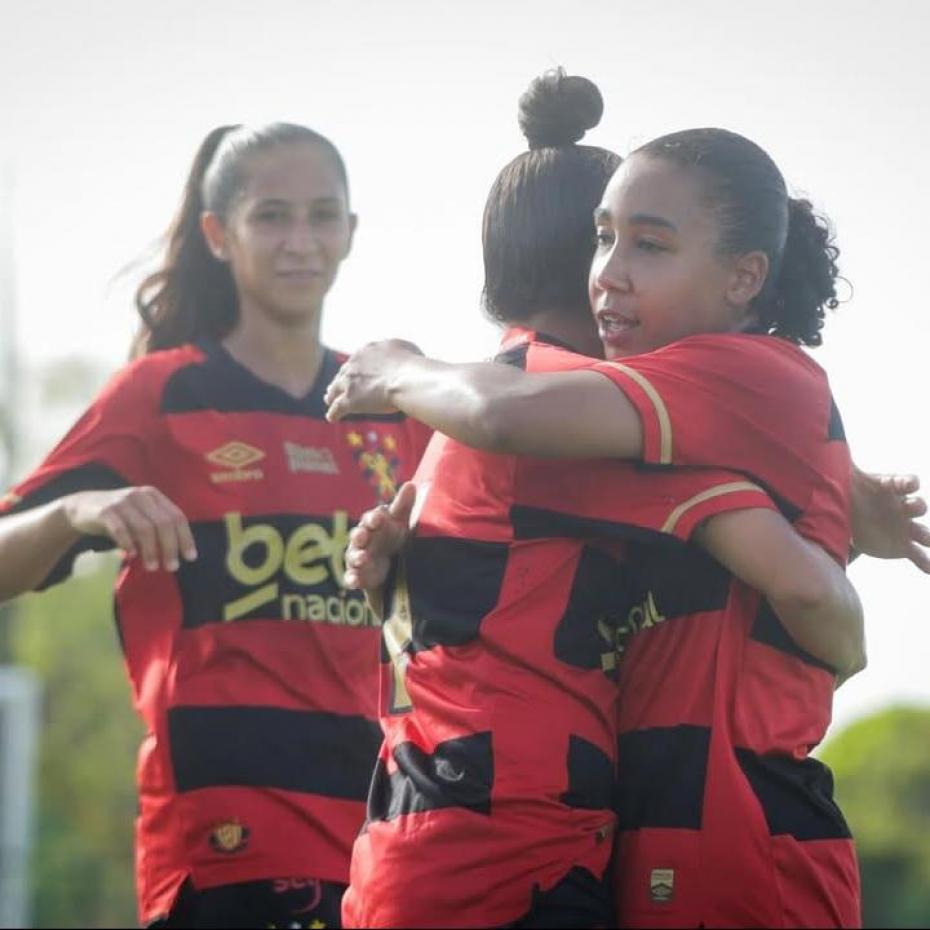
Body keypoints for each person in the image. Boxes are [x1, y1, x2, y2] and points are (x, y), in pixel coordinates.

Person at [325, 73, 926, 928]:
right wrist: (837, 580)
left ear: (745, 277)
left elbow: (500, 412)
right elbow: (809, 600)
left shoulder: (516, 416)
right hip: (540, 854)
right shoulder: (570, 429)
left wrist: (398, 367)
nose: (612, 274)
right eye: (604, 241)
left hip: (642, 838)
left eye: (648, 245)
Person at [0, 123, 429, 928]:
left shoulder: (395, 410)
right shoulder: (159, 397)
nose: (300, 241)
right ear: (218, 234)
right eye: (271, 216)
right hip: (223, 844)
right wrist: (73, 510)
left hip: (382, 835)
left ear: (350, 232)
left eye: (321, 215)